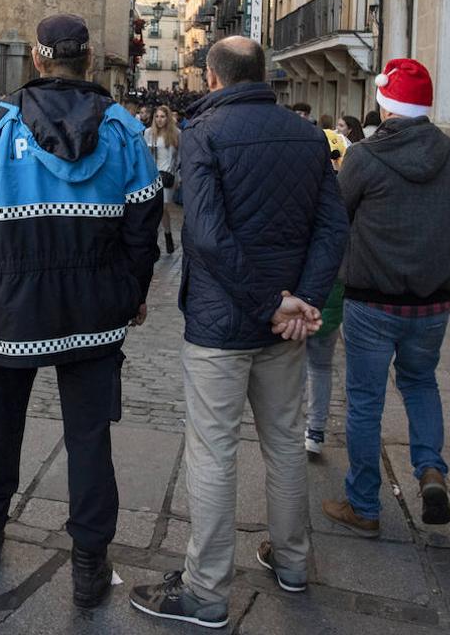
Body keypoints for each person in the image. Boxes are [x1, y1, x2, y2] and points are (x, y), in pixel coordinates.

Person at [0, 14, 163, 610]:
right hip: (95, 309)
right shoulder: (123, 128)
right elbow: (145, 223)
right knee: (90, 436)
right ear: (89, 61)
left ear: (37, 61)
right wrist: (132, 289)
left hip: (12, 309)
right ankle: (90, 563)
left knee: (0, 420)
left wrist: (2, 260)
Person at [130, 37, 348, 630]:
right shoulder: (308, 137)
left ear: (212, 76)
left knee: (213, 450)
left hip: (221, 323)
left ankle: (205, 593)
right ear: (264, 74)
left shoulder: (205, 133)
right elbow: (333, 228)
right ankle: (294, 562)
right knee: (283, 442)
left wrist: (271, 303)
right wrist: (299, 300)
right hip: (284, 327)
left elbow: (203, 233)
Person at [321, 58, 450, 540]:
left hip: (372, 301)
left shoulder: (364, 158)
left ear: (385, 106)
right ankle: (430, 470)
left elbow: (337, 218)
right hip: (433, 304)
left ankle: (364, 504)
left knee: (365, 401)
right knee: (420, 384)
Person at [305, 129, 350, 457]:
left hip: (299, 294)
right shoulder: (348, 196)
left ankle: (293, 429)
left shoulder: (299, 192)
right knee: (321, 366)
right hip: (332, 296)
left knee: (291, 368)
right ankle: (315, 430)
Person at [145, 104, 181, 254]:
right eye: (157, 116)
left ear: (168, 118)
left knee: (162, 207)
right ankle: (166, 234)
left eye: (163, 116)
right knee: (157, 208)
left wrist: (179, 175)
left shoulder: (177, 133)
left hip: (167, 176)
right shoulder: (148, 133)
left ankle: (163, 235)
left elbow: (180, 156)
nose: (159, 120)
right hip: (151, 175)